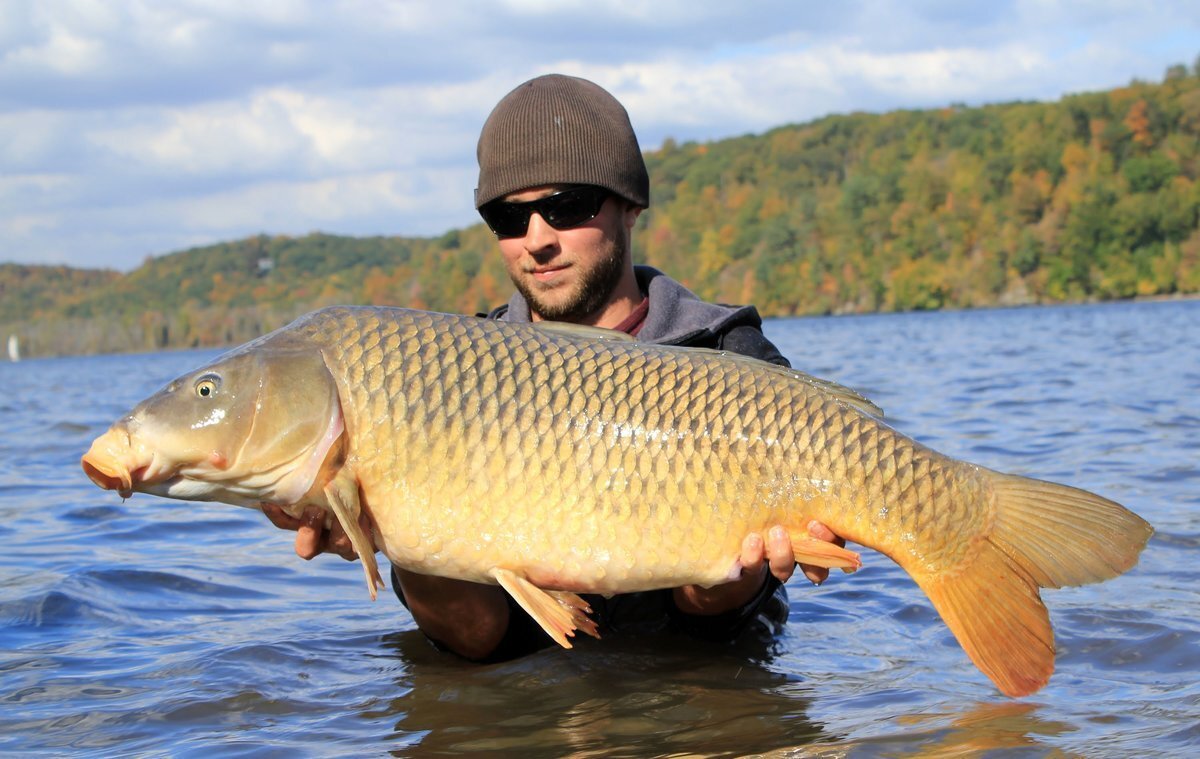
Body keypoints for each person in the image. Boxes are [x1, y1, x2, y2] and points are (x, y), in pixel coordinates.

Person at [263, 74, 845, 662]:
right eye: (508, 218)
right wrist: (396, 537)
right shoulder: (453, 375)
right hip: (523, 696)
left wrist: (731, 575)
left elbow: (714, 628)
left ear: (631, 206)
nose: (536, 240)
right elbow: (479, 643)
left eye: (566, 207)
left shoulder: (728, 356)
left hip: (706, 693)